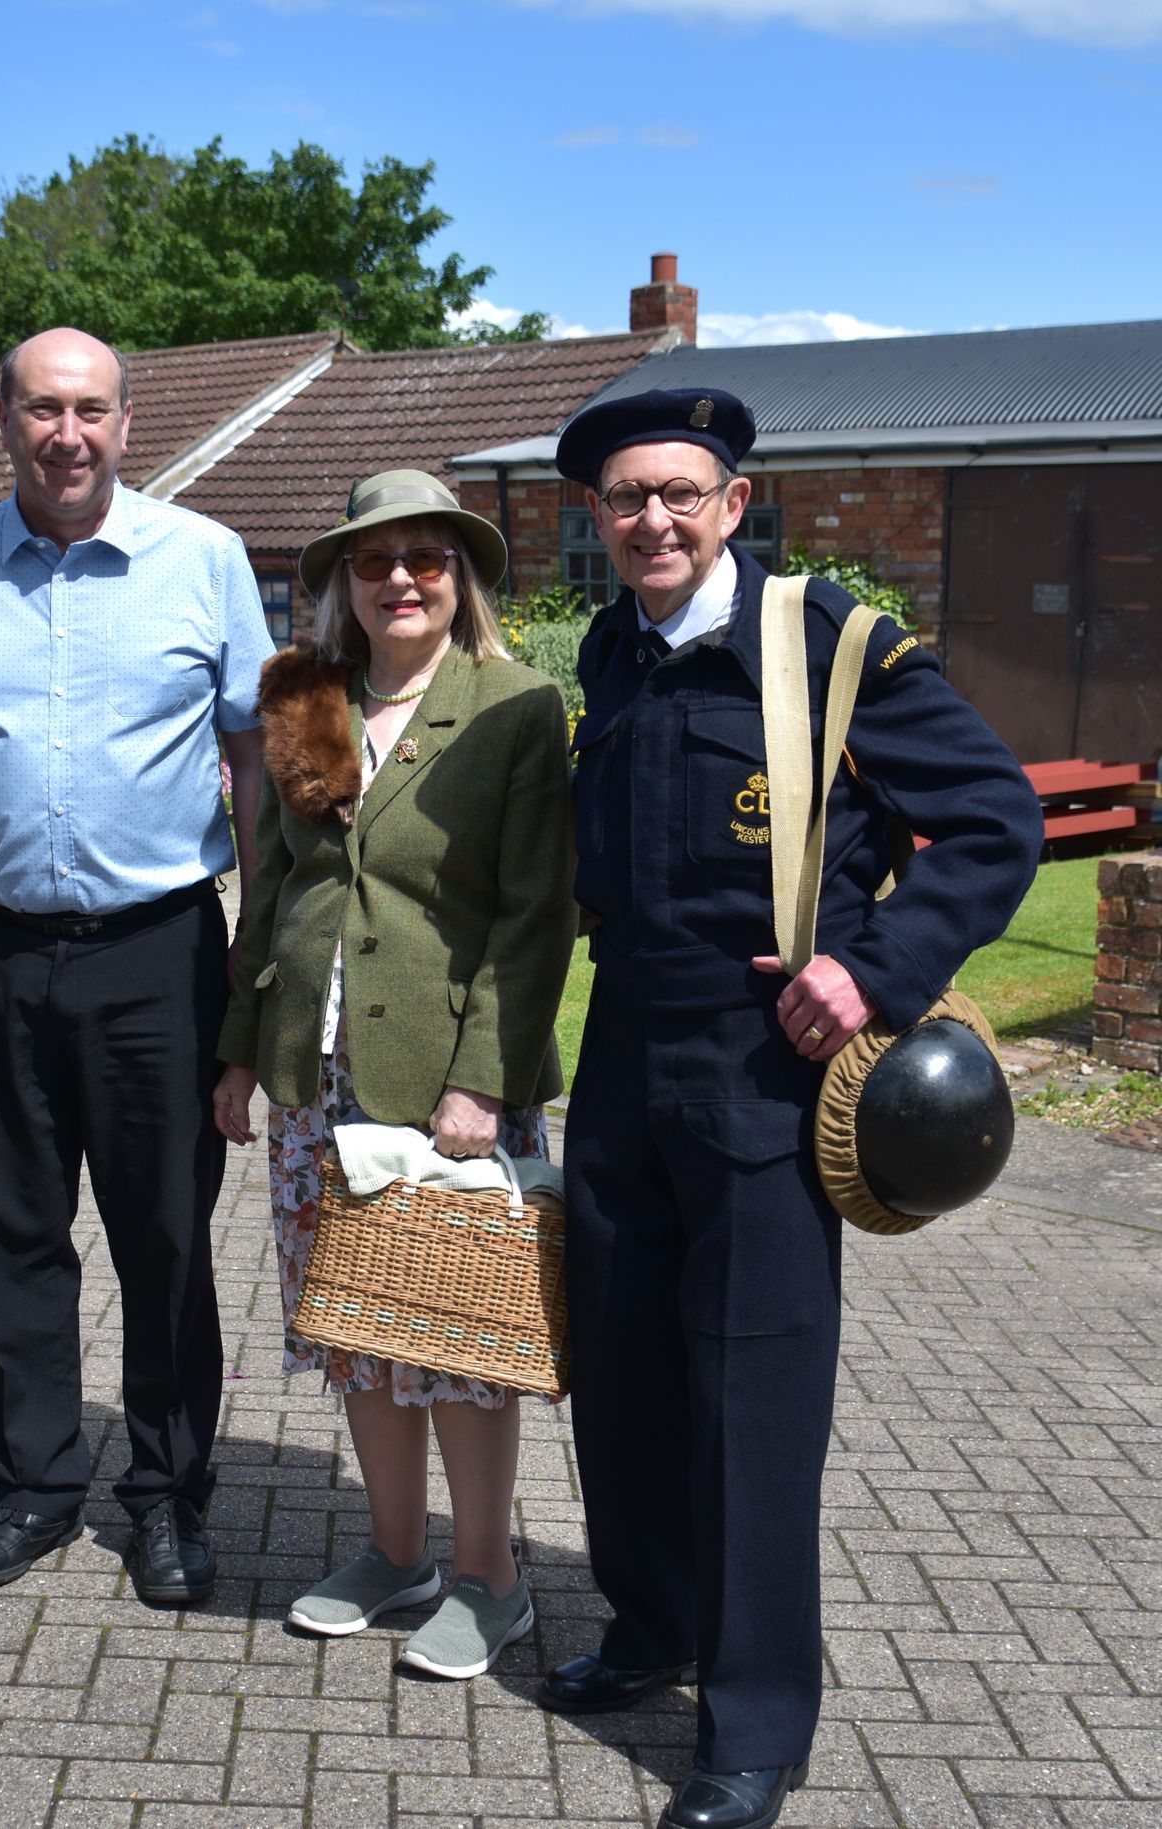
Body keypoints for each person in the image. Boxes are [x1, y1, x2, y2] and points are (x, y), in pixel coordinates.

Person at [542, 387, 1042, 1829]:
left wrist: (873, 968)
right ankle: (653, 1626)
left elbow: (996, 817)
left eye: (679, 493)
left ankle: (756, 1722)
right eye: (626, 497)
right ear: (599, 517)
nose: (653, 519)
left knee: (752, 1398)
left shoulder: (829, 642)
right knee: (623, 1374)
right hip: (626, 1055)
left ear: (733, 504)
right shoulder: (614, 651)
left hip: (767, 1063)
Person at [0, 327, 272, 1606]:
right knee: (12, 1229)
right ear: (4, 418)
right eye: (44, 408)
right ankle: (35, 1488)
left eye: (91, 409)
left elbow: (255, 758)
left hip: (160, 952)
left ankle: (169, 1494)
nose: (68, 434)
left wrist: (259, 949)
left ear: (126, 421)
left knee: (164, 1236)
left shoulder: (205, 560)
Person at [213, 470, 577, 1679]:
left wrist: (485, 1080)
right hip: (315, 1078)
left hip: (447, 1082)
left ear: (460, 577)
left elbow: (534, 915)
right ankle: (396, 1550)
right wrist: (239, 1050)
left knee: (461, 1330)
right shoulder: (304, 699)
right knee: (357, 1326)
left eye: (428, 558)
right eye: (375, 561)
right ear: (344, 583)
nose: (402, 580)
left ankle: (489, 1576)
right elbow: (272, 884)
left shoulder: (514, 707)